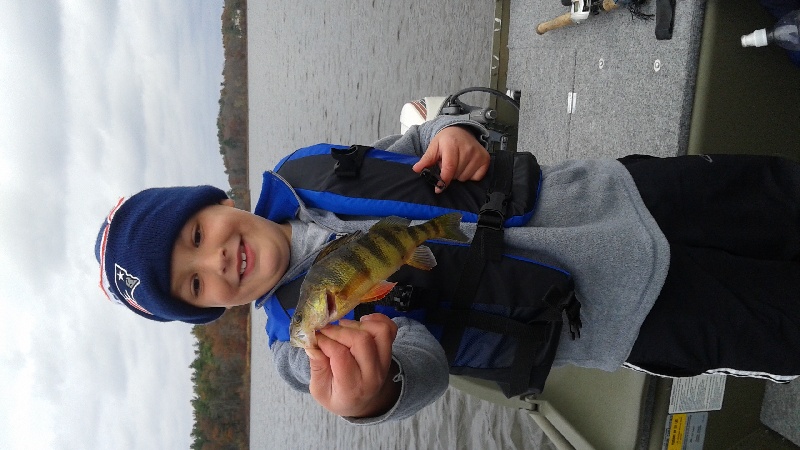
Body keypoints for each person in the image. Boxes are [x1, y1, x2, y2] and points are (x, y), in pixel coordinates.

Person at [95, 114, 800, 425]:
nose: (215, 259)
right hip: (627, 314)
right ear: (213, 310)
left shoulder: (303, 169)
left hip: (621, 193)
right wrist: (372, 394)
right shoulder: (297, 345)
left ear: (216, 201)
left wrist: (458, 136)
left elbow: (423, 141)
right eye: (195, 284)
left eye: (195, 232)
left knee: (773, 195)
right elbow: (416, 361)